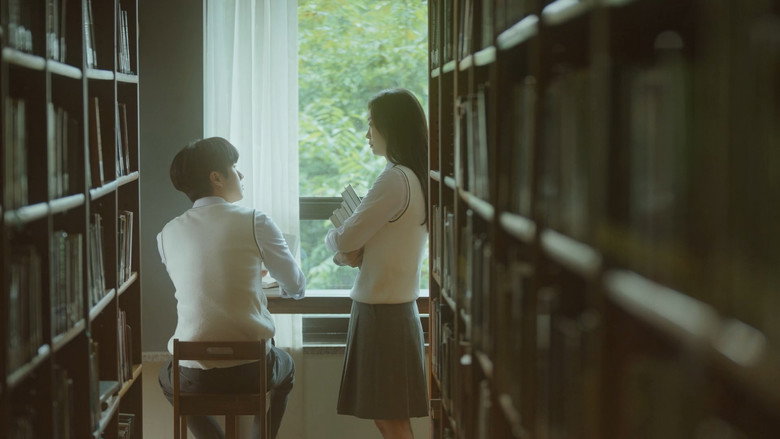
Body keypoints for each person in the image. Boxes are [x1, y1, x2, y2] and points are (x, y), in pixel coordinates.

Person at [157, 137, 306, 439]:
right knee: (286, 368)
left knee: (166, 379)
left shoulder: (167, 233)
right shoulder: (255, 221)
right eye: (235, 167)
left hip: (193, 374)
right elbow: (295, 285)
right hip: (250, 371)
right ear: (217, 177)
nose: (241, 174)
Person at [325, 88, 429, 439]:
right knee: (389, 417)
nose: (367, 134)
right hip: (389, 309)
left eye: (372, 124)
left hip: (384, 313)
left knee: (390, 418)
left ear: (391, 127)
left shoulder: (395, 179)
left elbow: (344, 240)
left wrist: (334, 241)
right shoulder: (410, 176)